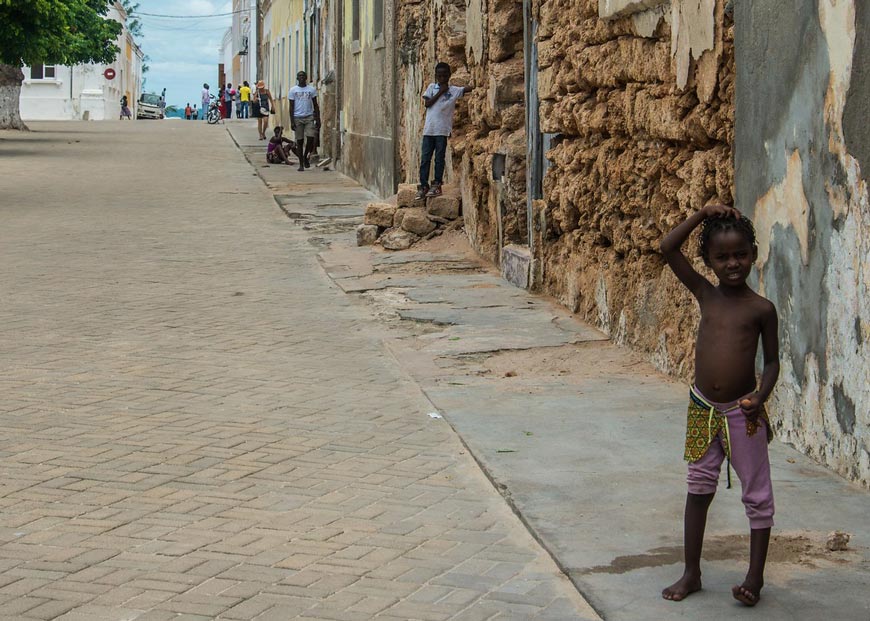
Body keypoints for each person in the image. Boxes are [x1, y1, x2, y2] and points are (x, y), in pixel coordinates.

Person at [659, 204, 779, 608]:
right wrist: (702, 213)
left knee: (757, 494)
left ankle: (754, 579)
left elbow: (773, 361)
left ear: (753, 253)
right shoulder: (704, 293)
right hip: (701, 407)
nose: (733, 263)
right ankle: (691, 572)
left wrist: (760, 397)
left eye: (740, 254)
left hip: (742, 413)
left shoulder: (762, 309)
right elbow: (667, 246)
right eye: (722, 257)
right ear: (708, 261)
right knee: (698, 488)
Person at [416, 62, 472, 200]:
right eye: (439, 76)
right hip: (429, 130)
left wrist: (480, 83)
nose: (442, 78)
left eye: (444, 75)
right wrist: (441, 91)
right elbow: (427, 104)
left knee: (439, 159)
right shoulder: (431, 88)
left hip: (442, 131)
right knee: (425, 159)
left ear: (449, 76)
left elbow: (466, 89)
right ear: (436, 76)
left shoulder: (453, 91)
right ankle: (423, 186)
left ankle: (437, 185)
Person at [288, 71, 320, 172]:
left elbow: (315, 104)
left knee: (311, 138)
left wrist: (318, 118)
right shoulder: (293, 90)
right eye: (299, 76)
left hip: (309, 116)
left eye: (303, 76)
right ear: (297, 78)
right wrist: (292, 121)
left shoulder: (311, 90)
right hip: (297, 118)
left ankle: (305, 156)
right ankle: (301, 163)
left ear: (306, 78)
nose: (301, 78)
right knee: (300, 141)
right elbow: (291, 106)